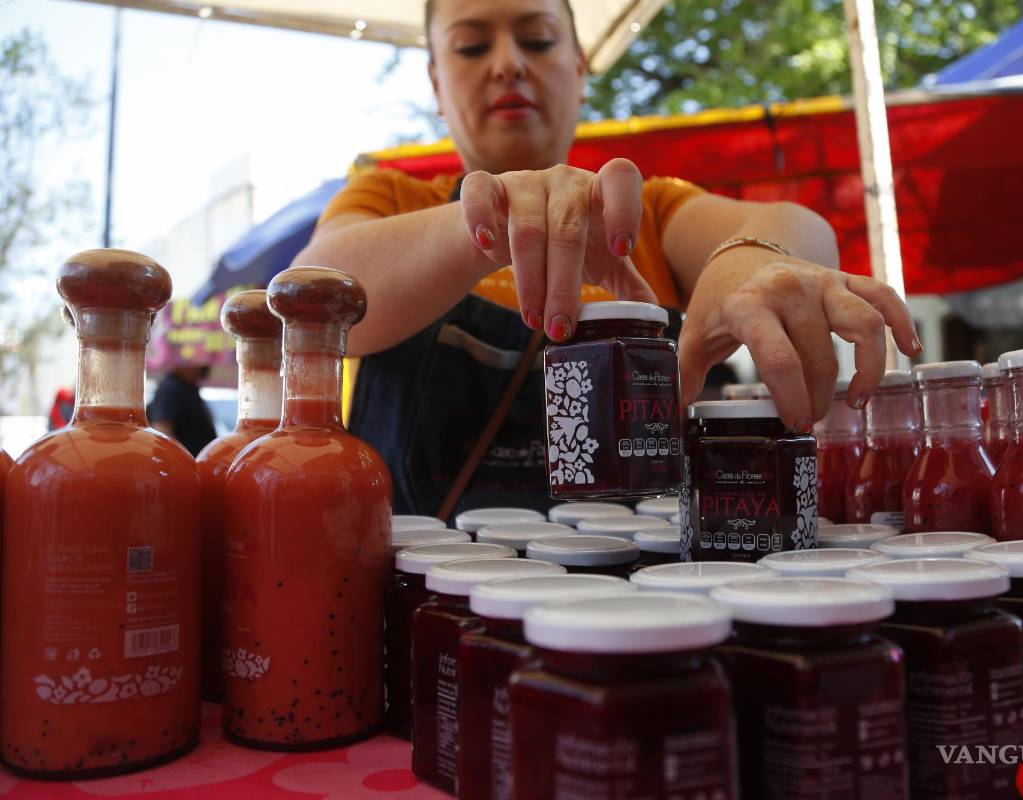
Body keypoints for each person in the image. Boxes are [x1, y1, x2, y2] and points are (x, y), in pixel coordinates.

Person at [294, 0, 921, 515]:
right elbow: (312, 292)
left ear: (581, 68)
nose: (508, 64)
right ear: (435, 81)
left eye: (537, 40)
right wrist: (486, 223)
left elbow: (795, 225)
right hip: (429, 596)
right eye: (471, 47)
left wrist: (751, 261)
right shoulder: (388, 198)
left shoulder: (639, 215)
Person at [148, 365, 217, 457]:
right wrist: (180, 462)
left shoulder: (189, 387)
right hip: (184, 465)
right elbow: (162, 430)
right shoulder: (171, 387)